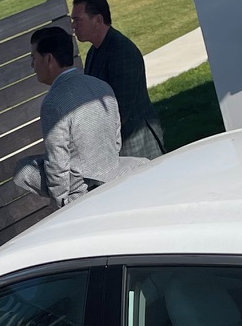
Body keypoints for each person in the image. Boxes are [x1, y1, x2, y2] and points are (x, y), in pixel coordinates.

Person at [12, 25, 146, 208]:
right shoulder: (101, 86)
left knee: (23, 170)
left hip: (81, 187)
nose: (32, 66)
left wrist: (62, 205)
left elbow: (57, 163)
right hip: (112, 169)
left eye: (34, 58)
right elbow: (115, 140)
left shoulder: (54, 102)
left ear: (49, 59)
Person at [72, 0, 164, 159]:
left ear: (98, 20)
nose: (73, 26)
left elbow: (120, 110)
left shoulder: (122, 52)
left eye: (78, 20)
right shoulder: (94, 52)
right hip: (118, 147)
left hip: (136, 146)